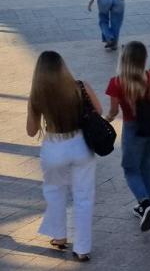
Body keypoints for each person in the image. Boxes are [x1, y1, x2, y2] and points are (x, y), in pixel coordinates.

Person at [27, 51, 99, 262]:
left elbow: (31, 131)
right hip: (80, 144)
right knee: (84, 197)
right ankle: (82, 248)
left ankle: (59, 236)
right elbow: (99, 110)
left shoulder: (37, 95)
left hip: (54, 147)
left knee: (54, 192)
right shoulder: (80, 87)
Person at [104, 41, 150, 232]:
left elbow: (114, 111)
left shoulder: (117, 83)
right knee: (147, 166)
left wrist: (106, 119)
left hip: (133, 128)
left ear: (124, 59)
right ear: (144, 58)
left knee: (130, 168)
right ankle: (146, 206)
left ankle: (145, 204)